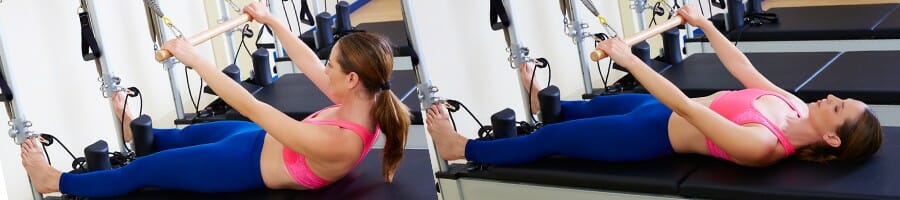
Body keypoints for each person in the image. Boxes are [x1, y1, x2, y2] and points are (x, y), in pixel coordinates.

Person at [20, 2, 409, 197]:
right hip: (254, 139)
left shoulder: (341, 141)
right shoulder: (367, 99)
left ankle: (55, 180)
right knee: (166, 138)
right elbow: (307, 62)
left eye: (333, 66)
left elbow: (254, 105)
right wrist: (271, 21)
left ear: (353, 78)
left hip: (241, 167)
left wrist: (194, 60)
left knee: (143, 171)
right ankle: (130, 128)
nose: (325, 70)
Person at [425, 5, 882, 167]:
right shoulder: (794, 107)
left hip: (645, 136)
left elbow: (688, 109)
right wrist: (704, 24)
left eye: (839, 107)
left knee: (549, 138)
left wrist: (627, 59)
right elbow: (743, 68)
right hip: (649, 108)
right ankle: (539, 100)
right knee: (568, 109)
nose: (832, 97)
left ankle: (461, 148)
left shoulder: (765, 145)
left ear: (831, 137)